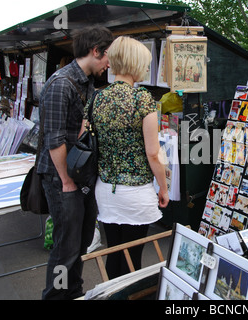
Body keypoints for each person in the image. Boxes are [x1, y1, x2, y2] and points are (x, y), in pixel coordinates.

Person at [37, 25, 114, 300]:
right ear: (95, 51)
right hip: (62, 178)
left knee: (79, 242)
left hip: (78, 175)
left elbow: (78, 129)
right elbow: (54, 140)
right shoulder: (61, 84)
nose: (109, 63)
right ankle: (56, 296)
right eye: (107, 56)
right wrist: (67, 181)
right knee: (65, 247)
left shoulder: (86, 82)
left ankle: (74, 292)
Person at [87, 36, 169, 280]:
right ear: (134, 64)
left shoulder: (97, 98)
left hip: (105, 190)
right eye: (145, 64)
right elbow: (153, 153)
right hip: (135, 193)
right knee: (133, 259)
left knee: (114, 254)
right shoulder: (141, 99)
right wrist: (163, 188)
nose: (146, 69)